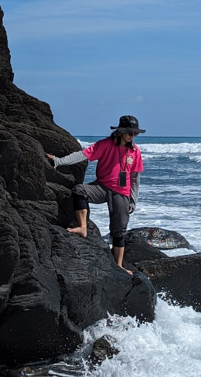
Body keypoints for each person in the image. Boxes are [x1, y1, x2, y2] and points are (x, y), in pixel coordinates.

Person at [47, 116, 145, 275]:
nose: (132, 136)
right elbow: (82, 155)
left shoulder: (135, 151)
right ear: (120, 131)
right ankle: (82, 227)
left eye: (135, 133)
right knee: (79, 190)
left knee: (119, 231)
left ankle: (118, 266)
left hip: (122, 193)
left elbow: (135, 177)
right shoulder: (104, 145)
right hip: (102, 187)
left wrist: (133, 200)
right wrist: (59, 161)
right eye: (130, 133)